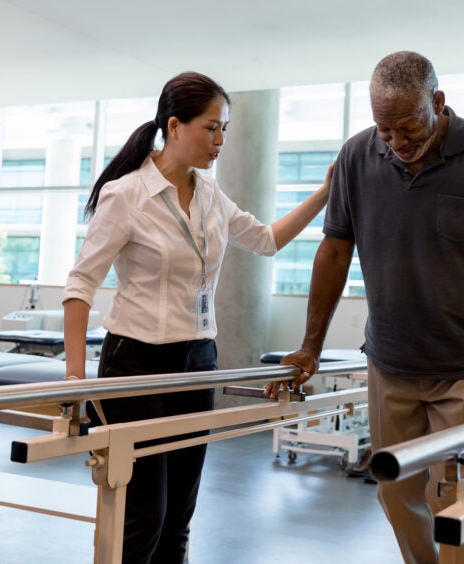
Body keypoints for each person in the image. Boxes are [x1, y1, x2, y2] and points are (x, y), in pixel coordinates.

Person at [267, 51, 464, 563]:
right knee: (395, 491)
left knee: (457, 498)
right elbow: (332, 251)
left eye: (407, 128)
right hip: (391, 362)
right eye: (384, 131)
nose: (396, 144)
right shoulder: (356, 157)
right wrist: (310, 346)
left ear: (437, 102)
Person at [61, 71, 331, 564]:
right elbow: (80, 286)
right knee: (144, 515)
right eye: (211, 128)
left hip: (197, 361)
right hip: (135, 364)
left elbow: (267, 240)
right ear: (175, 125)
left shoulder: (210, 195)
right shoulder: (126, 196)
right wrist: (74, 382)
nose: (221, 140)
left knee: (179, 519)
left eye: (225, 128)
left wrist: (324, 192)